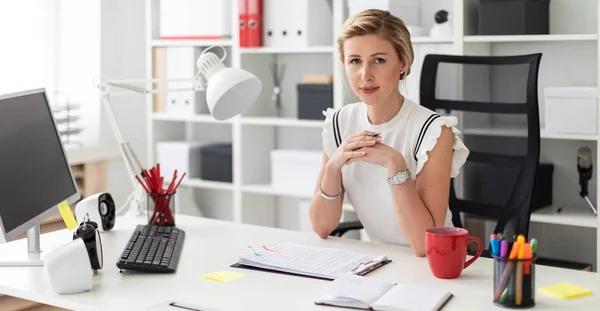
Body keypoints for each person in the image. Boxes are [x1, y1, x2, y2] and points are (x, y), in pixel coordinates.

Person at [309, 9, 469, 257]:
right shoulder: (339, 123)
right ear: (344, 64)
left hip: (431, 266)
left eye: (379, 60)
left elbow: (423, 246)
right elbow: (321, 226)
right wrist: (334, 166)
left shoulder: (434, 132)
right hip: (377, 261)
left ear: (403, 63)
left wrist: (395, 164)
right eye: (355, 61)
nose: (365, 75)